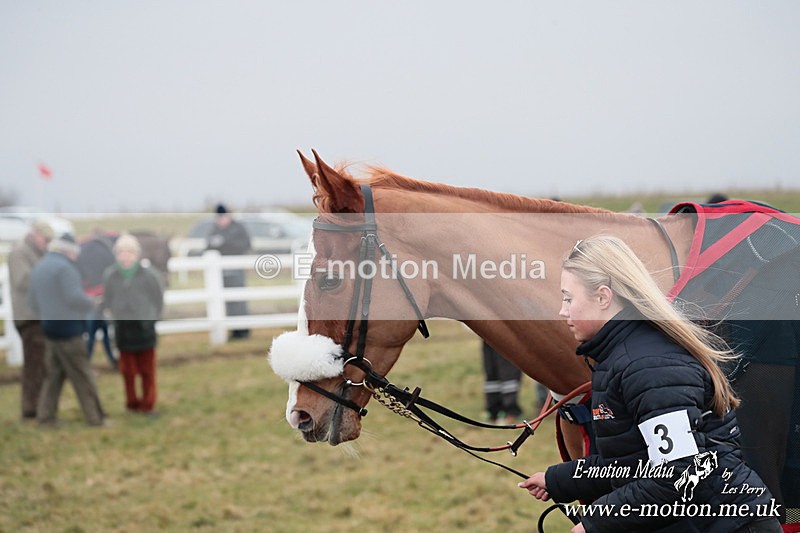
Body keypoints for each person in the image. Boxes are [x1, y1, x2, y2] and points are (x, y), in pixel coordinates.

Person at [518, 236, 780, 532]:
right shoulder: (619, 357)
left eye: (569, 298)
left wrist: (596, 523)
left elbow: (679, 476)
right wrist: (558, 481)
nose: (563, 311)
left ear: (603, 297)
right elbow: (635, 462)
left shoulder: (647, 366)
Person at [28, 235, 106, 427]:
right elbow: (74, 298)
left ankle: (45, 417)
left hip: (49, 330)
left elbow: (32, 302)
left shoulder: (40, 266)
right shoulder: (65, 268)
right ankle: (95, 418)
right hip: (69, 331)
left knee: (53, 376)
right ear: (68, 250)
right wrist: (92, 303)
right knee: (83, 375)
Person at [102, 233, 164, 415]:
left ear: (136, 254)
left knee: (147, 371)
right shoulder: (111, 276)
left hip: (144, 329)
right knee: (128, 372)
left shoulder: (148, 275)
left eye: (129, 252)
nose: (125, 256)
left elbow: (157, 299)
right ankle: (132, 403)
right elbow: (108, 300)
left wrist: (151, 319)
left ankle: (148, 404)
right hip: (123, 330)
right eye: (121, 252)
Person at [8, 219, 54, 420]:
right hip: (29, 318)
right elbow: (22, 280)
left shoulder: (37, 252)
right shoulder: (20, 252)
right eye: (46, 239)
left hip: (38, 317)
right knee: (34, 365)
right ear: (36, 234)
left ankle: (37, 407)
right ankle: (31, 409)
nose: (47, 243)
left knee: (41, 364)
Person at [206, 203, 251, 340]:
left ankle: (243, 330)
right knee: (227, 303)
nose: (221, 221)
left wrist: (225, 242)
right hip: (220, 272)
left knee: (239, 300)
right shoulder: (214, 229)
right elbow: (207, 247)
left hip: (236, 269)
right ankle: (233, 330)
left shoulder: (238, 228)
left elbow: (246, 245)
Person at [76, 229, 117, 368]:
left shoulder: (83, 248)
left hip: (89, 297)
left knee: (91, 334)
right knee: (106, 333)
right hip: (102, 297)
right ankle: (113, 361)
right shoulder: (107, 250)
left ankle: (87, 364)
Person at [481, 341, 523, 424]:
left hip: (505, 336)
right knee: (492, 374)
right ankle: (494, 413)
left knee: (508, 374)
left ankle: (510, 412)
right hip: (489, 335)